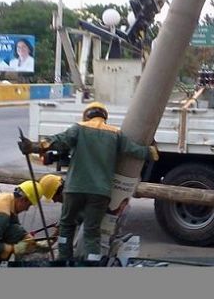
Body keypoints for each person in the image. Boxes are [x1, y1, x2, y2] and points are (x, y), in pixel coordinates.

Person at [18, 102, 159, 262]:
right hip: (100, 193)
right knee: (92, 232)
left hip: (75, 189)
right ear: (104, 117)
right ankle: (92, 263)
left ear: (87, 115)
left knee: (66, 226)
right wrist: (152, 151)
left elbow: (56, 141)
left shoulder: (78, 128)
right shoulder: (115, 134)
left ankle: (64, 260)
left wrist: (33, 147)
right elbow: (135, 150)